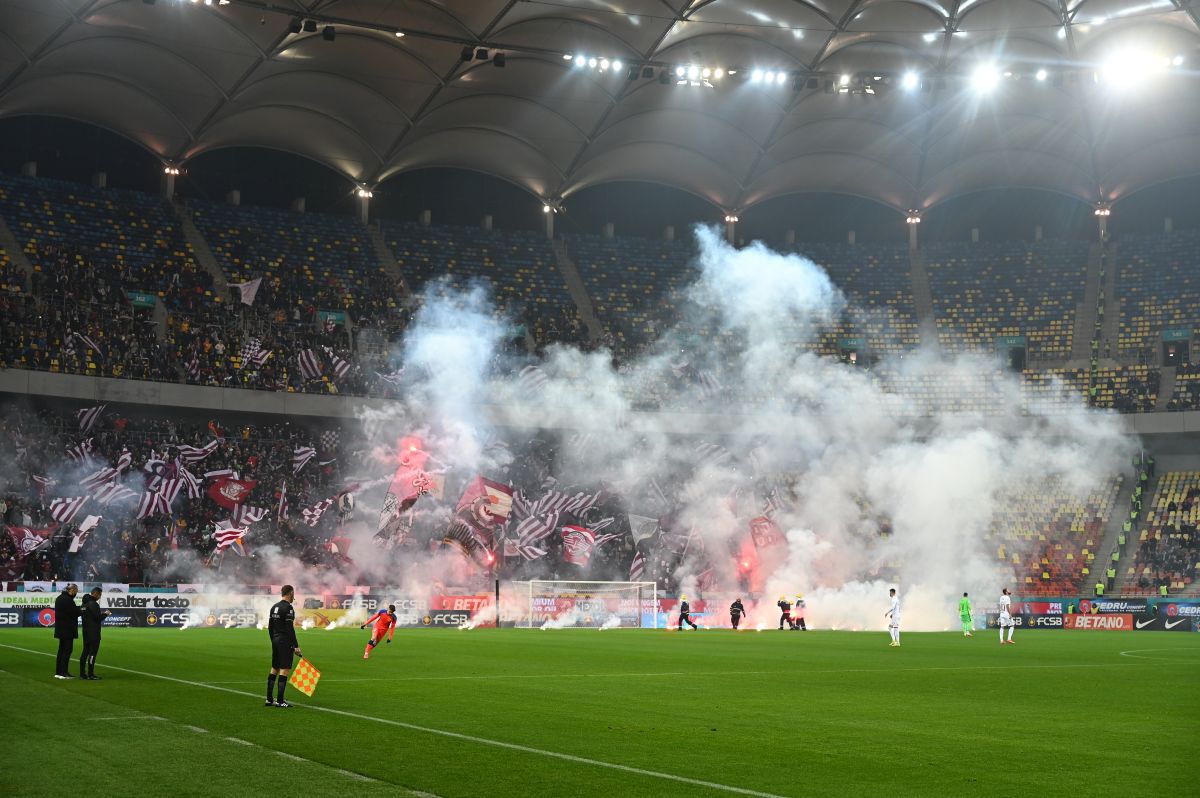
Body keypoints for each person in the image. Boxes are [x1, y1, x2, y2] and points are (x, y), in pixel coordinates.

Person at [266, 584, 301, 707]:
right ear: (291, 593)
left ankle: (269, 699)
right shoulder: (288, 608)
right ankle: (280, 701)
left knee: (275, 667)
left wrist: (273, 640)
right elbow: (289, 629)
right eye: (293, 594)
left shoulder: (274, 607)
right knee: (285, 669)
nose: (293, 597)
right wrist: (296, 646)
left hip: (275, 640)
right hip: (284, 641)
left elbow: (270, 627)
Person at [79, 587, 111, 680]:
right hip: (94, 632)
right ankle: (90, 674)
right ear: (96, 594)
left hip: (86, 631)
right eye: (100, 595)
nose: (100, 597)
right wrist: (106, 614)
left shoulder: (84, 603)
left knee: (85, 652)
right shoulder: (93, 604)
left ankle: (82, 674)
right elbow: (97, 618)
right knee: (92, 653)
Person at [53, 584, 82, 679]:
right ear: (72, 590)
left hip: (61, 629)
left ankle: (59, 672)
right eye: (76, 591)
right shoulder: (68, 600)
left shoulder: (60, 598)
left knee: (61, 650)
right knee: (67, 650)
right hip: (67, 629)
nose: (76, 593)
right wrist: (83, 609)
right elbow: (75, 612)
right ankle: (63, 672)